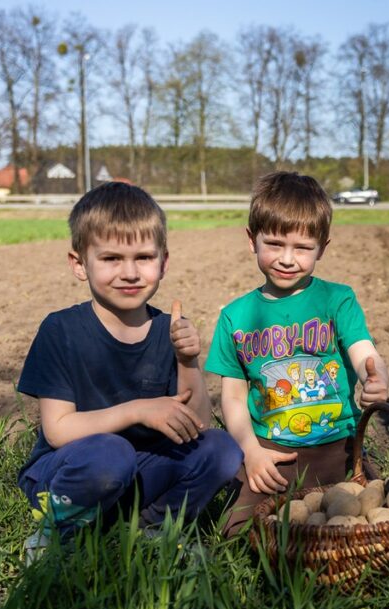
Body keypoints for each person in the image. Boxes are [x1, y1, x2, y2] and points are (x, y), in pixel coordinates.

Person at [17, 182, 244, 561]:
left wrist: (188, 360)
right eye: (111, 259)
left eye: (143, 257)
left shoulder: (167, 329)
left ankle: (155, 526)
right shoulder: (61, 331)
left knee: (221, 449)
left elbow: (199, 425)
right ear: (79, 264)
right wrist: (139, 410)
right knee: (110, 453)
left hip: (142, 473)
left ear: (164, 262)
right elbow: (58, 431)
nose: (130, 272)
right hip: (74, 471)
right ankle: (58, 533)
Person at [206, 171, 389, 537]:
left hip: (337, 449)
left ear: (322, 246)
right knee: (235, 533)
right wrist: (250, 451)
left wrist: (376, 376)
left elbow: (362, 350)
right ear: (251, 240)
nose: (287, 259)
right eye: (274, 244)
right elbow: (233, 395)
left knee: (355, 524)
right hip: (271, 452)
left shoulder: (336, 300)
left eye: (302, 248)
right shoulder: (235, 317)